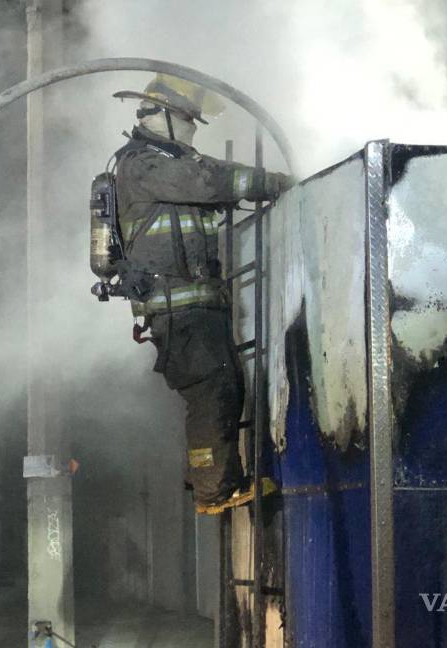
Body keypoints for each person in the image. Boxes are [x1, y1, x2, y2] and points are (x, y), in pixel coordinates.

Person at [110, 74, 293, 514]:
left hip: (196, 305)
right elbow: (208, 182)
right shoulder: (142, 165)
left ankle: (209, 477)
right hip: (179, 309)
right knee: (213, 388)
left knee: (222, 386)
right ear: (165, 116)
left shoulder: (165, 163)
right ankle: (214, 490)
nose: (192, 129)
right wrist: (274, 183)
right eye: (188, 119)